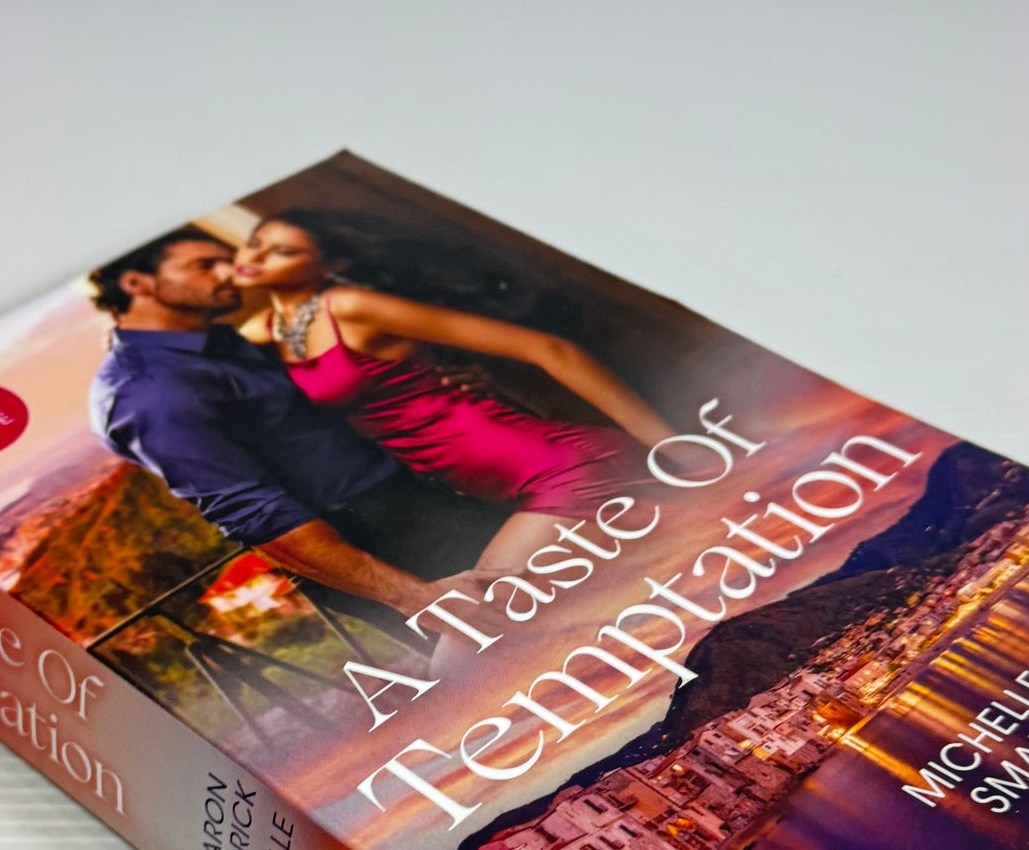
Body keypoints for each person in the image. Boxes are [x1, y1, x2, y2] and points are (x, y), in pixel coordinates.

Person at [85, 233, 499, 618]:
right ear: (136, 283)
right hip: (379, 544)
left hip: (422, 501)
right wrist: (416, 597)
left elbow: (314, 420)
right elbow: (257, 514)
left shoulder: (220, 344)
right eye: (205, 265)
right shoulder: (147, 393)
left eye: (228, 261)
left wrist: (432, 388)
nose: (230, 273)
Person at [233, 210, 673, 570]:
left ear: (333, 265)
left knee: (486, 610)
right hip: (506, 492)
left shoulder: (350, 307)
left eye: (284, 251)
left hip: (563, 469)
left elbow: (549, 348)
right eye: (254, 243)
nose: (257, 257)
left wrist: (671, 446)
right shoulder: (267, 331)